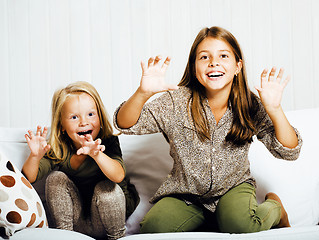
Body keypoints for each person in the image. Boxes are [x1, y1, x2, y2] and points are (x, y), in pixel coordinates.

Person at [114, 26, 302, 234]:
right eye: (204, 57)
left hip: (233, 188)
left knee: (242, 225)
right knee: (154, 228)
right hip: (186, 195)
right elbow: (126, 124)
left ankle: (275, 207)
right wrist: (142, 93)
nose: (214, 62)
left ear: (237, 66)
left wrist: (275, 110)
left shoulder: (250, 104)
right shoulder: (176, 101)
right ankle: (210, 221)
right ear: (195, 67)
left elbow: (289, 150)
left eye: (223, 55)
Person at [22, 81, 139, 240]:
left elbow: (118, 176)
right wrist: (34, 156)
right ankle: (65, 237)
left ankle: (117, 238)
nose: (84, 122)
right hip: (77, 221)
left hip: (107, 218)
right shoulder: (60, 148)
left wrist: (97, 155)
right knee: (55, 178)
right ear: (62, 125)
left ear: (100, 116)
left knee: (107, 188)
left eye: (91, 114)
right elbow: (29, 177)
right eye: (74, 117)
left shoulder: (107, 141)